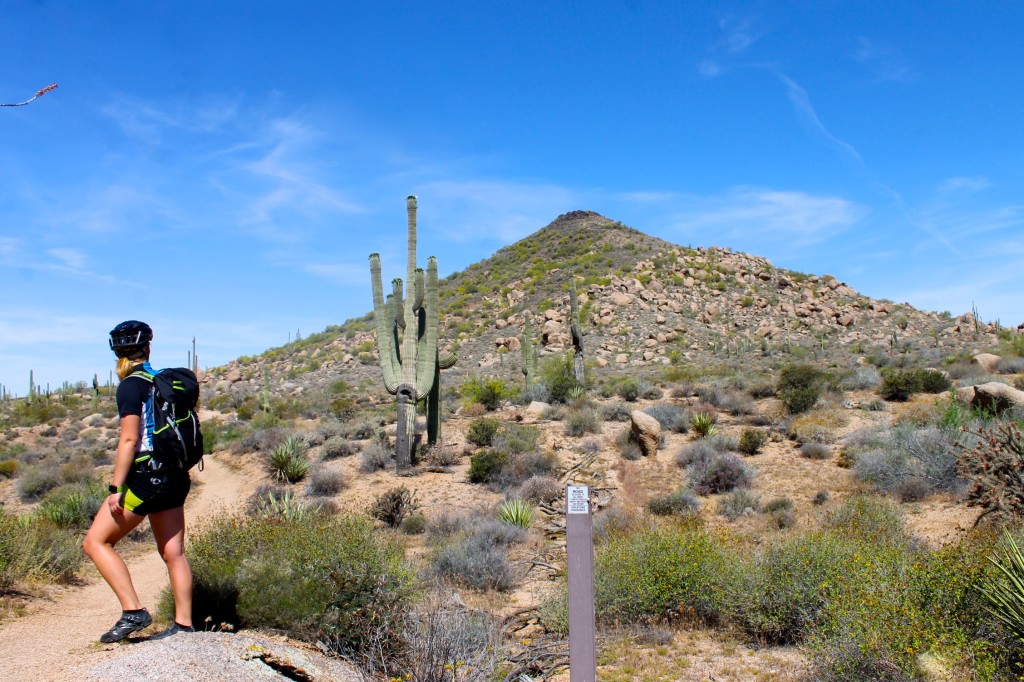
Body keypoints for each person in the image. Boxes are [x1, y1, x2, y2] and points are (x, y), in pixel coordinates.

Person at [82, 320, 195, 642]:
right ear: (147, 348)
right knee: (174, 552)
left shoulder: (131, 385)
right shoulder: (162, 381)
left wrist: (116, 488)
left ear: (116, 352)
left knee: (95, 542)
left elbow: (129, 440)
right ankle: (184, 625)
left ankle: (133, 611)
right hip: (175, 475)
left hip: (147, 479)